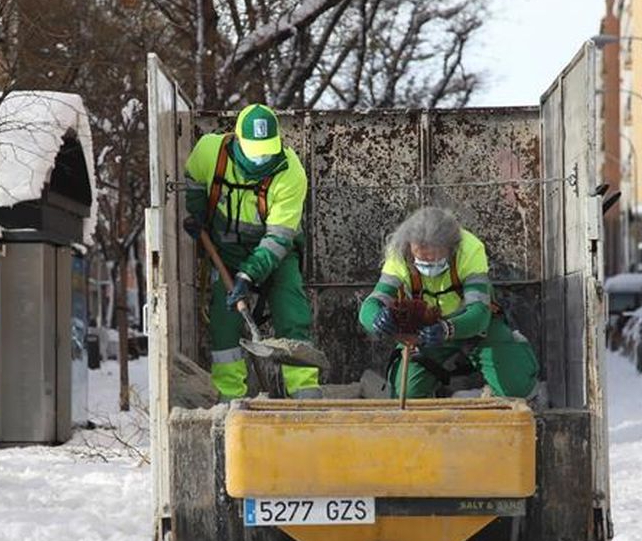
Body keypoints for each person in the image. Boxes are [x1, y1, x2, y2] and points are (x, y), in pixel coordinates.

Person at [183, 103, 321, 400]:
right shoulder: (210, 151)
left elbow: (278, 239)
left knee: (291, 308)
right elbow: (193, 178)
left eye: (268, 151)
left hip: (277, 254)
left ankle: (305, 391)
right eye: (256, 151)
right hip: (226, 252)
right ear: (238, 140)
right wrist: (197, 212)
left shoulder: (290, 172)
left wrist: (248, 276)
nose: (263, 158)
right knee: (224, 320)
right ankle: (230, 398)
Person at [358, 206, 539, 399]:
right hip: (426, 330)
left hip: (473, 325)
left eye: (435, 260)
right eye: (421, 260)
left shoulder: (469, 249)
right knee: (407, 395)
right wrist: (376, 318)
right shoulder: (400, 252)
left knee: (516, 389)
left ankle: (514, 351)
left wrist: (447, 329)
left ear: (452, 248)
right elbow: (373, 302)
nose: (428, 266)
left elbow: (479, 313)